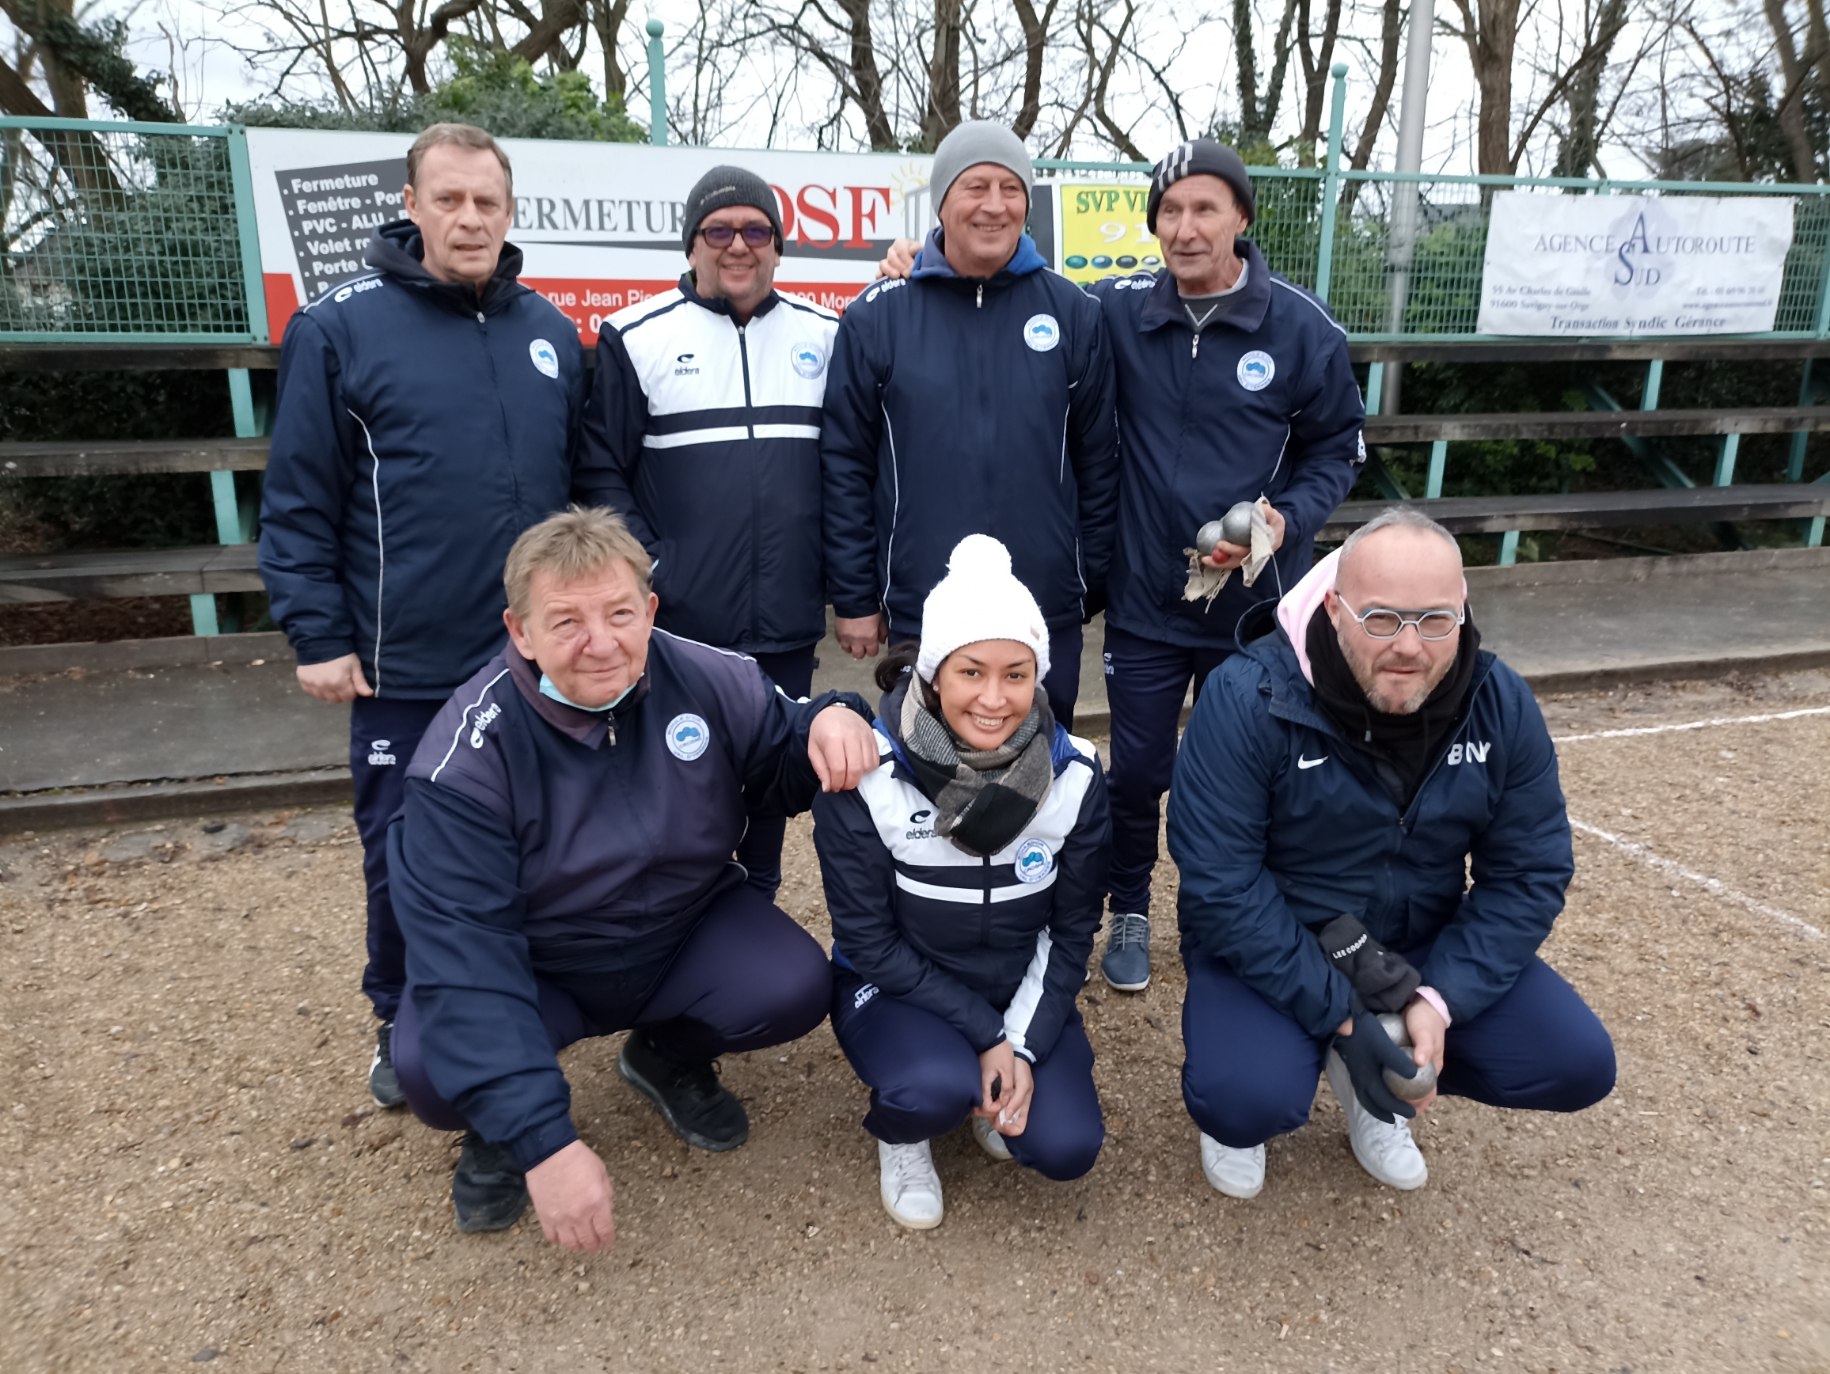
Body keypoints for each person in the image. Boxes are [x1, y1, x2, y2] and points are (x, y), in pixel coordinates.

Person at [873, 138, 1365, 994]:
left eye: (1205, 208)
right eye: (1169, 211)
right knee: (1137, 772)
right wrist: (923, 267)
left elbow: (1339, 449)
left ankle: (1233, 916)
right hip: (1146, 601)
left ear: (1242, 217)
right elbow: (1011, 295)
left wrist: (1290, 519)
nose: (1185, 228)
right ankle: (1129, 907)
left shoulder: (1302, 327)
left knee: (1255, 769)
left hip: (1254, 605)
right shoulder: (1114, 311)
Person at [385, 506, 879, 1249]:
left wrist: (830, 719)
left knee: (794, 983)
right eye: (566, 623)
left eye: (619, 613)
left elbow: (785, 747)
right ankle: (502, 1127)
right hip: (537, 961)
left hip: (677, 932)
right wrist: (545, 1143)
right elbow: (464, 962)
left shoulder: (710, 675)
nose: (600, 644)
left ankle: (665, 1055)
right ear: (519, 631)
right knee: (428, 1063)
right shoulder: (464, 763)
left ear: (648, 609)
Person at [258, 123, 590, 1110]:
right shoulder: (338, 327)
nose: (469, 218)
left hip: (537, 660)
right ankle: (400, 1015)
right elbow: (298, 498)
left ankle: (517, 1000)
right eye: (448, 199)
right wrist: (316, 634)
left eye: (487, 201)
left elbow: (583, 483)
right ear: (411, 204)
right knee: (402, 851)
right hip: (405, 666)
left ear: (511, 210)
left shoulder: (549, 332)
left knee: (549, 839)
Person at [1166, 507, 1615, 1200]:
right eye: (1381, 620)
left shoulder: (1500, 703)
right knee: (1244, 1096)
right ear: (1336, 609)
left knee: (1576, 1062)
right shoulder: (1246, 696)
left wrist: (1439, 1000)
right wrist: (1340, 1015)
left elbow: (1530, 872)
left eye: (1434, 620)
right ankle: (1323, 1062)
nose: (1408, 646)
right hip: (1278, 941)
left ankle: (1376, 1082)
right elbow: (1220, 885)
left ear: (1462, 611)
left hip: (1416, 943)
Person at [814, 535, 1110, 1230]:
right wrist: (987, 1036)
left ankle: (994, 1088)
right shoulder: (869, 774)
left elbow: (1072, 933)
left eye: (1016, 674)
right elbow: (869, 940)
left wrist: (1023, 1041)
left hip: (1014, 984)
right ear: (932, 671)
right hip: (895, 987)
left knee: (1067, 1146)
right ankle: (905, 1131)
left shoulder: (1076, 776)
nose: (993, 698)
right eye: (971, 671)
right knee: (929, 1091)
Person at [579, 164, 840, 899]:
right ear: (692, 244)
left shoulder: (825, 335)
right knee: (676, 778)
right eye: (718, 230)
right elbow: (601, 472)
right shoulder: (635, 335)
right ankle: (669, 932)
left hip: (786, 619)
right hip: (682, 622)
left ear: (778, 247)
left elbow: (850, 472)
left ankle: (751, 920)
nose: (738, 245)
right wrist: (653, 570)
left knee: (769, 779)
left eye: (756, 230)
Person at [820, 120, 1119, 729]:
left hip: (1043, 605)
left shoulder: (1074, 313)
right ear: (942, 200)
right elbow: (845, 464)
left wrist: (1090, 582)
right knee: (923, 784)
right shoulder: (879, 316)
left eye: (1010, 188)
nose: (994, 205)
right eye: (975, 186)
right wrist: (854, 597)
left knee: (1042, 784)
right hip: (921, 603)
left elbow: (1098, 459)